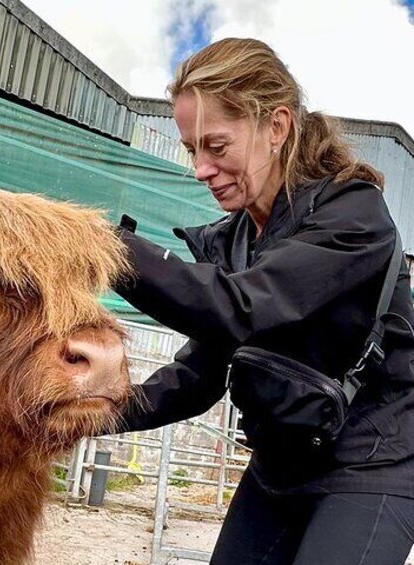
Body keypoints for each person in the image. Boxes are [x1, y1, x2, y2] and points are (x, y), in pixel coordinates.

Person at [114, 38, 414, 564]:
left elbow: (242, 307)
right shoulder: (233, 242)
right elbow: (196, 377)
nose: (201, 169)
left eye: (217, 146)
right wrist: (88, 412)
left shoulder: (354, 217)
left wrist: (104, 247)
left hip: (372, 463)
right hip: (279, 465)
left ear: (276, 127)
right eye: (191, 150)